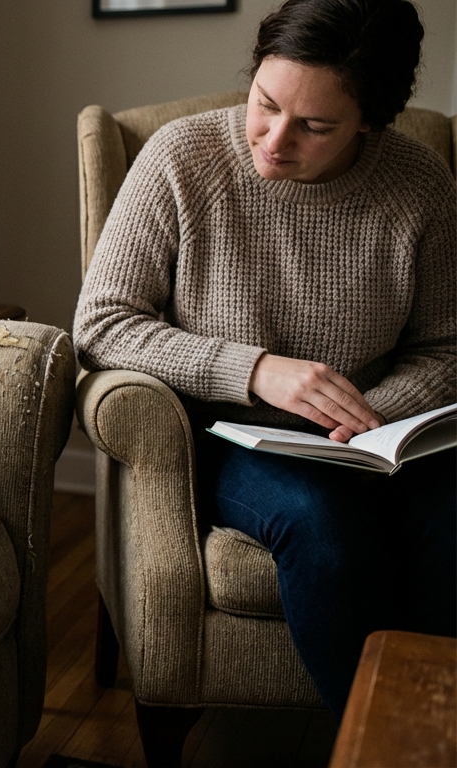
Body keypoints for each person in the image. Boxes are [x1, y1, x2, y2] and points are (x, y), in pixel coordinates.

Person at [73, 0, 455, 719]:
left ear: (370, 121)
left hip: (375, 438)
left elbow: (446, 345)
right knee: (325, 530)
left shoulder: (421, 183)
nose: (275, 140)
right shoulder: (180, 159)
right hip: (236, 437)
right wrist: (255, 370)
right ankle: (383, 740)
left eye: (314, 126)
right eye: (265, 104)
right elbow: (102, 322)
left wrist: (371, 417)